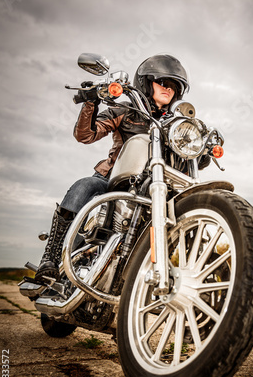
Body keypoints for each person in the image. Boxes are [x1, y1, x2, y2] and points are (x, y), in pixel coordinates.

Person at [35, 54, 190, 283]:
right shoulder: (125, 111)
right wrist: (91, 101)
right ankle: (51, 257)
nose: (168, 89)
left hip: (152, 189)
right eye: (163, 82)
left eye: (174, 86)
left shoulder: (177, 125)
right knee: (84, 186)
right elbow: (85, 135)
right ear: (147, 83)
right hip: (113, 179)